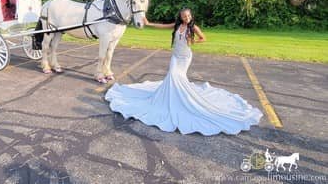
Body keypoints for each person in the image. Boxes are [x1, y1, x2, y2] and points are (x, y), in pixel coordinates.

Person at [105, 8, 263, 135]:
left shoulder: (193, 27)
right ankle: (170, 99)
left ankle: (183, 100)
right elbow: (163, 26)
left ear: (190, 16)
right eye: (183, 16)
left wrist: (192, 40)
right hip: (175, 56)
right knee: (172, 77)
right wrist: (149, 22)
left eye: (188, 16)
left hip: (185, 57)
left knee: (176, 77)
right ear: (181, 17)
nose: (186, 18)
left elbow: (204, 38)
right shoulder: (177, 25)